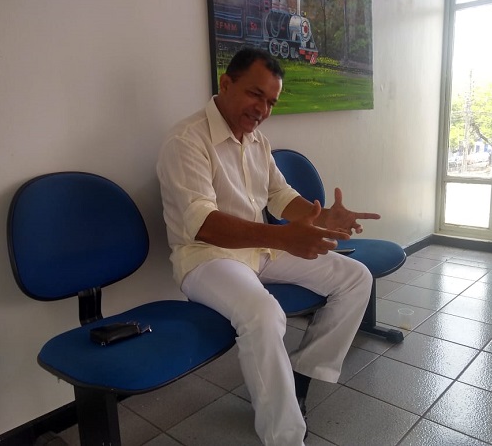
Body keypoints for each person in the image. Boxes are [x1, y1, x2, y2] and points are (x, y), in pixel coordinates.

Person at [157, 48, 380, 446]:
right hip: (205, 259)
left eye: (271, 102)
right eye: (255, 94)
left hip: (259, 252)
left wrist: (324, 216)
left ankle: (301, 373)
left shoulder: (257, 141)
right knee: (263, 313)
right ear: (226, 84)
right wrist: (282, 237)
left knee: (356, 278)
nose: (262, 109)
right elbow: (204, 225)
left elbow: (280, 196)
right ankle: (284, 437)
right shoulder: (186, 140)